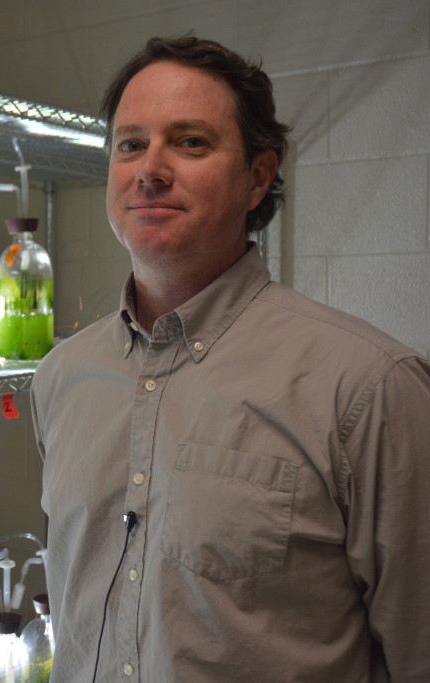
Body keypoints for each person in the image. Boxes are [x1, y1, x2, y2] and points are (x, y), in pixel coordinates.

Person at [30, 36, 430, 682]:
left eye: (190, 143)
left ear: (258, 178)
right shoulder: (60, 379)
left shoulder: (369, 388)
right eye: (130, 144)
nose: (150, 168)